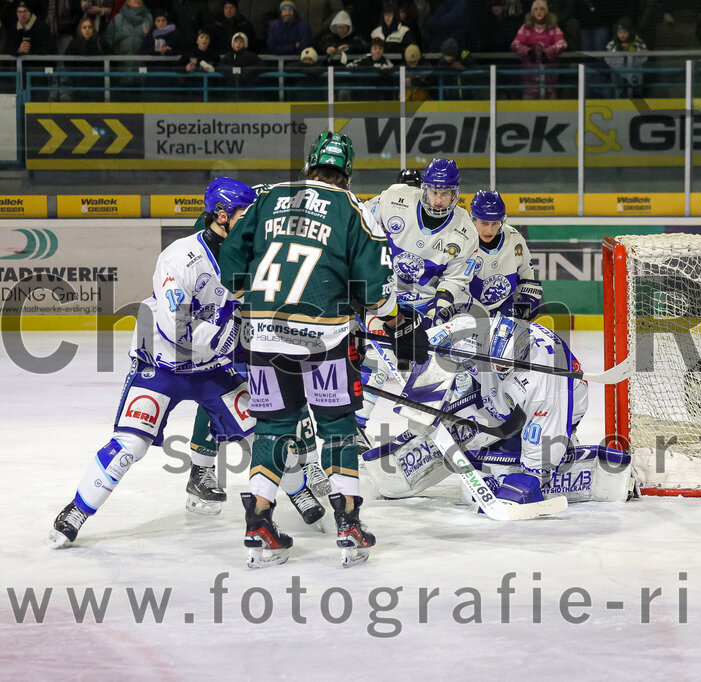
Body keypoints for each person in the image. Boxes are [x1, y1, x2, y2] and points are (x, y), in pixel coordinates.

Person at [217, 131, 421, 568]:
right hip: (322, 340)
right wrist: (394, 319)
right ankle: (347, 523)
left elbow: (232, 251)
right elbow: (374, 284)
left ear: (309, 165)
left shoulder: (268, 197)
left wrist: (240, 295)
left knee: (272, 429)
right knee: (338, 427)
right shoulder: (352, 209)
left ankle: (259, 524)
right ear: (347, 173)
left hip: (262, 337)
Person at [46, 177, 257, 549]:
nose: (251, 222)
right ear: (221, 215)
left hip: (211, 368)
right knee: (130, 445)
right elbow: (179, 331)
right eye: (244, 214)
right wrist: (230, 332)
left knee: (261, 431)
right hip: (162, 365)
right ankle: (77, 510)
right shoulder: (181, 257)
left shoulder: (251, 254)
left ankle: (305, 495)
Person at [361, 316, 636, 509]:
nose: (499, 368)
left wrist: (529, 477)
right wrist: (421, 400)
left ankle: (570, 463)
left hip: (558, 408)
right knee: (451, 427)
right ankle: (394, 475)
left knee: (521, 464)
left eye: (505, 366)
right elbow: (426, 347)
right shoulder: (475, 332)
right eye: (495, 363)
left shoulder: (545, 379)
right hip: (496, 400)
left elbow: (542, 435)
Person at [187, 183, 327, 524]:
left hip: (260, 326)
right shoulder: (197, 245)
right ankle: (201, 471)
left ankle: (306, 466)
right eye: (242, 213)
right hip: (220, 333)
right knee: (218, 394)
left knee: (291, 392)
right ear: (222, 214)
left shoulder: (262, 223)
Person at [355, 157, 477, 433]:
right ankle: (356, 425)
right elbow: (357, 226)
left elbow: (456, 277)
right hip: (383, 295)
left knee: (448, 361)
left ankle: (436, 426)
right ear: (424, 188)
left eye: (445, 193)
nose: (438, 200)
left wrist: (438, 311)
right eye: (434, 191)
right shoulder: (393, 199)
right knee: (378, 360)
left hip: (423, 304)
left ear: (455, 194)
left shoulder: (465, 230)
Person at [466, 189, 541, 319]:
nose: (489, 230)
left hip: (504, 306)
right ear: (473, 220)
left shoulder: (514, 240)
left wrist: (529, 300)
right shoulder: (462, 240)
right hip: (467, 308)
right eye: (484, 223)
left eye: (495, 223)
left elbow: (527, 274)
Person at [510, 0, 567, 99]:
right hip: (529, 77)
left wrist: (548, 52)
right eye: (536, 9)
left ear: (546, 11)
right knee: (529, 107)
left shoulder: (553, 28)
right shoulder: (525, 28)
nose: (539, 12)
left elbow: (562, 44)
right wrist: (528, 51)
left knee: (551, 106)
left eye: (542, 9)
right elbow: (515, 44)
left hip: (549, 77)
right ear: (532, 12)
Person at [603, 17, 646, 98]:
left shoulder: (638, 43)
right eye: (620, 32)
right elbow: (608, 59)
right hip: (618, 76)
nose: (622, 35)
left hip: (635, 76)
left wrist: (631, 51)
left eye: (625, 32)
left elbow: (644, 57)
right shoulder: (613, 44)